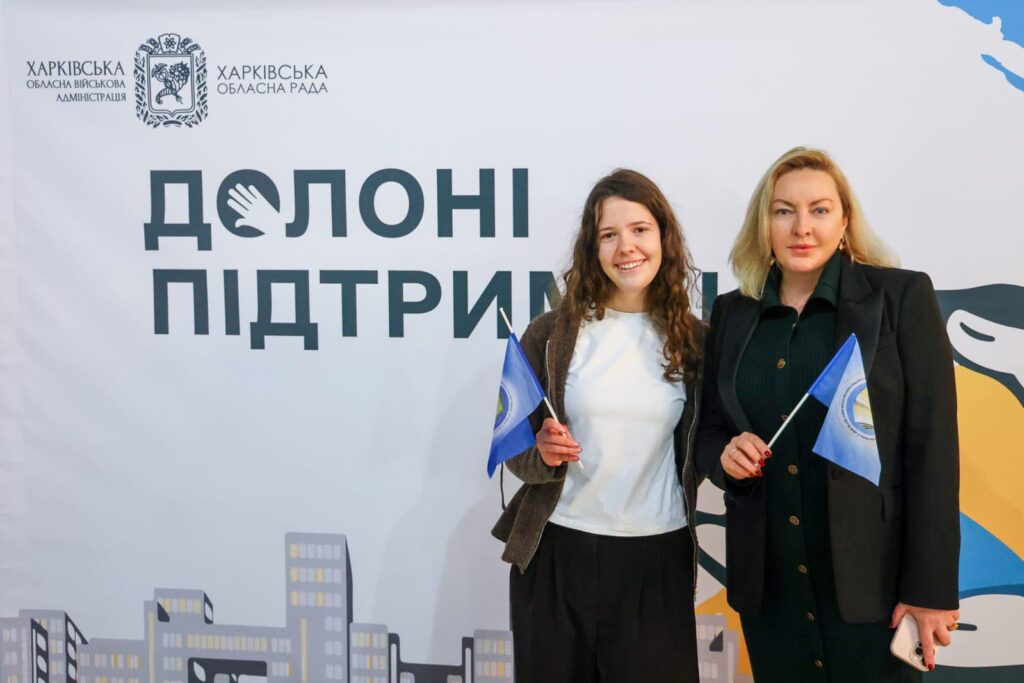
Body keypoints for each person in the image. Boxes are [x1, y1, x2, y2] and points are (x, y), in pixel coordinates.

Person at [697, 147, 960, 681]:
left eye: (819, 210)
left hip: (875, 586)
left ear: (844, 221)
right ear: (764, 224)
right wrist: (724, 456)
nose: (802, 227)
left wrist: (930, 589)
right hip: (770, 586)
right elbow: (708, 430)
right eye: (783, 211)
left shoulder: (900, 297)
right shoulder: (732, 312)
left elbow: (933, 448)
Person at [491, 168, 704, 682]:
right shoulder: (550, 334)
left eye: (639, 229)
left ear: (664, 238)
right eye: (609, 234)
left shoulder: (697, 342)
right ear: (592, 248)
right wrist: (542, 453)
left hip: (656, 555)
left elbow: (710, 443)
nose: (626, 247)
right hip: (557, 552)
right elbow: (513, 446)